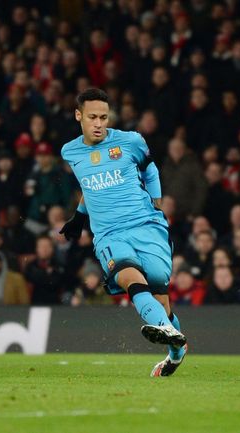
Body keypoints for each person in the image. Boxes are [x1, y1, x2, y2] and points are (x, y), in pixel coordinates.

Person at [59, 88, 187, 377]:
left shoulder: (130, 141)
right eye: (92, 117)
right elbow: (91, 186)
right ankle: (164, 329)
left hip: (147, 226)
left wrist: (156, 201)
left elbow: (150, 168)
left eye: (104, 117)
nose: (99, 123)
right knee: (129, 277)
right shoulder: (70, 150)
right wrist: (79, 217)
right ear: (79, 116)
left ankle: (176, 350)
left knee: (160, 299)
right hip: (109, 235)